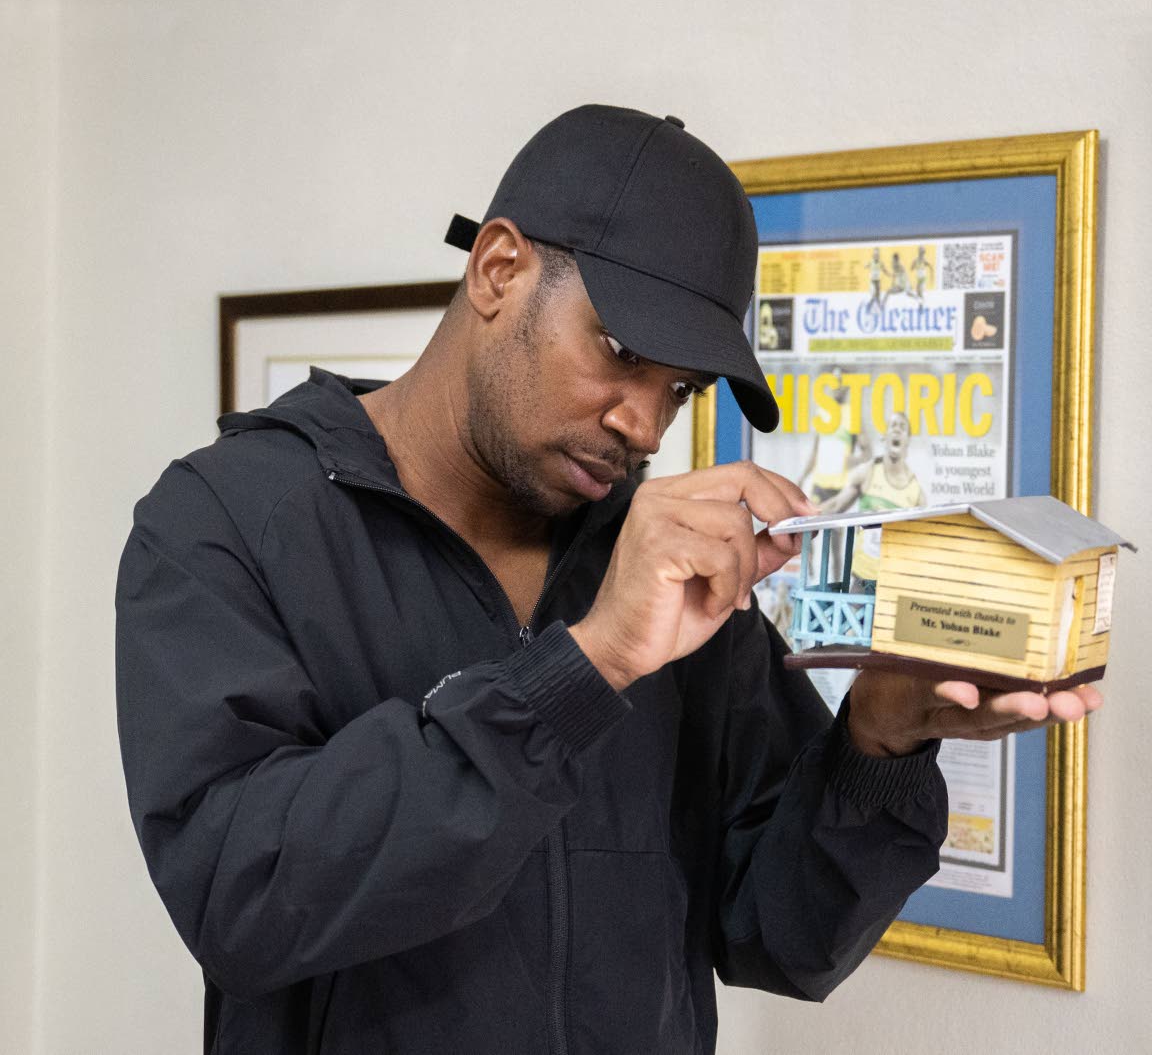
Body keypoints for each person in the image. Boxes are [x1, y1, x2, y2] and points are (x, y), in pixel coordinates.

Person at [115, 105, 1100, 1055]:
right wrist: (580, 669)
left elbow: (778, 933)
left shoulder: (662, 569)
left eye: (677, 387)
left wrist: (879, 740)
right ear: (500, 268)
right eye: (621, 351)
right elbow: (242, 899)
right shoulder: (226, 522)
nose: (646, 422)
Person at [820, 411, 927, 588]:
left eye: (903, 428)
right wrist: (800, 514)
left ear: (908, 440)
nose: (897, 430)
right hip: (861, 579)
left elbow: (920, 545)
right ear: (884, 437)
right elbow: (836, 505)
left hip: (894, 584)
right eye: (893, 426)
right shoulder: (868, 472)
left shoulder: (916, 493)